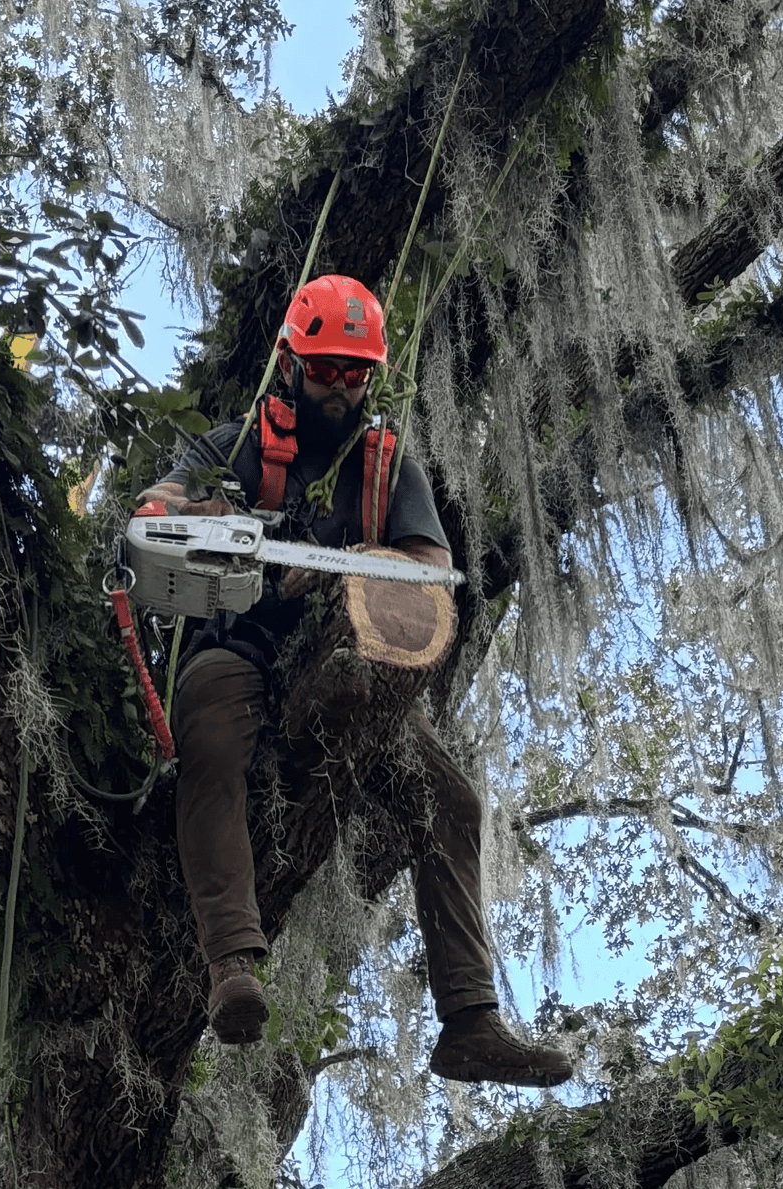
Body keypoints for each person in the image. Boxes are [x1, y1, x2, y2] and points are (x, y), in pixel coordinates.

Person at [137, 275, 571, 1088]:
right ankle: (232, 962)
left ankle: (469, 1018)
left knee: (452, 799)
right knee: (212, 746)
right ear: (292, 362)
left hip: (349, 656)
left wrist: (359, 575)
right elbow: (155, 511)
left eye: (355, 371)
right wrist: (225, 534)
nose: (340, 385)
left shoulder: (383, 464)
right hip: (239, 643)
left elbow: (434, 571)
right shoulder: (231, 446)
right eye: (326, 368)